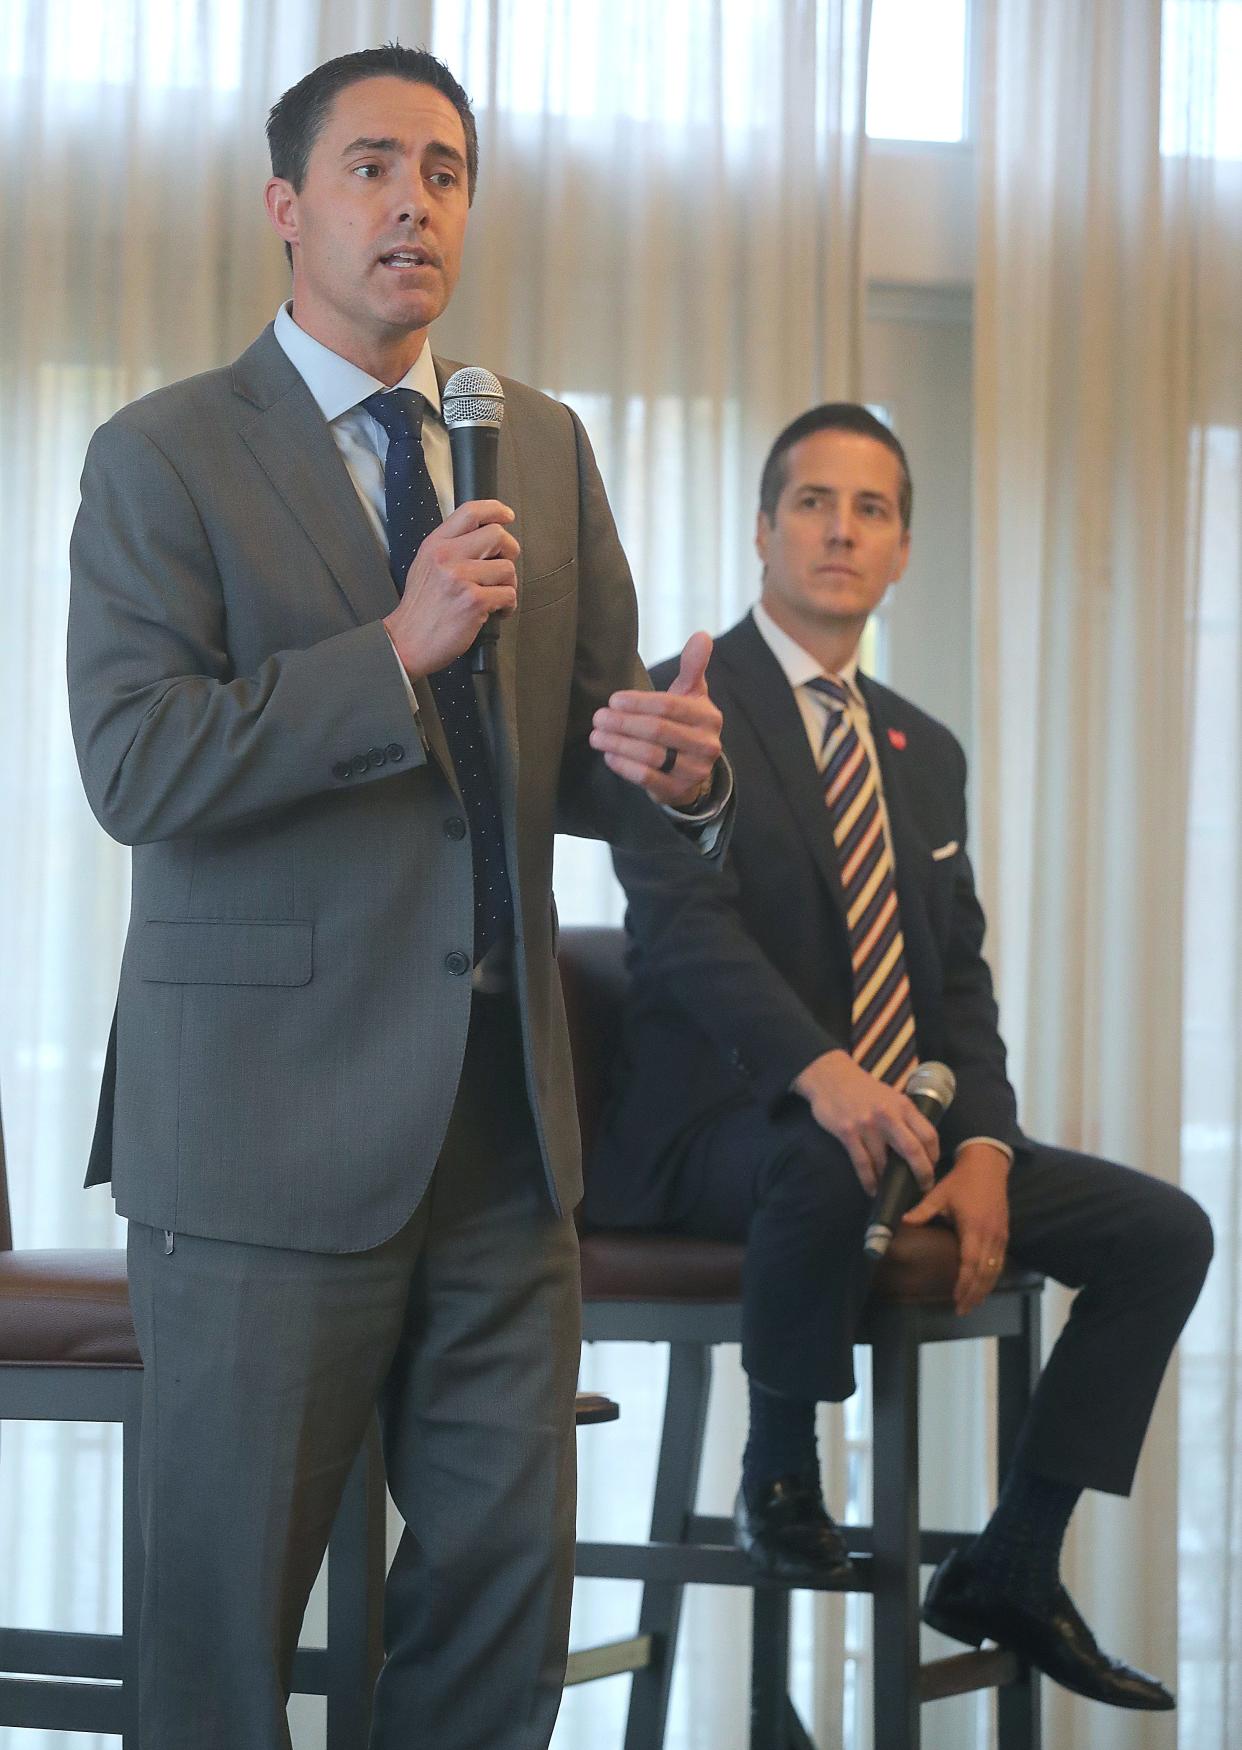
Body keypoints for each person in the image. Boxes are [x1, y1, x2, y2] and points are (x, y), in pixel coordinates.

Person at [66, 44, 728, 1750]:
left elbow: (570, 754)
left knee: (497, 1620)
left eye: (442, 171)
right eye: (371, 167)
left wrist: (670, 765)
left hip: (508, 1145)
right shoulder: (165, 456)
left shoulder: (538, 445)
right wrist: (391, 652)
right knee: (222, 1638)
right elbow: (136, 768)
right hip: (262, 1146)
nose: (412, 203)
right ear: (287, 209)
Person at [586, 402, 1213, 1711]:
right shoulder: (681, 706)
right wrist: (824, 1075)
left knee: (1164, 1231)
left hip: (896, 1128)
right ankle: (778, 1471)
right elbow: (685, 933)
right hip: (724, 1129)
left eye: (870, 509)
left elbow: (959, 984)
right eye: (812, 500)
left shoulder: (922, 752)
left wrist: (983, 1145)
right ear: (763, 528)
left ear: (901, 549)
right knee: (829, 1151)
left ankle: (1012, 1558)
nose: (839, 528)